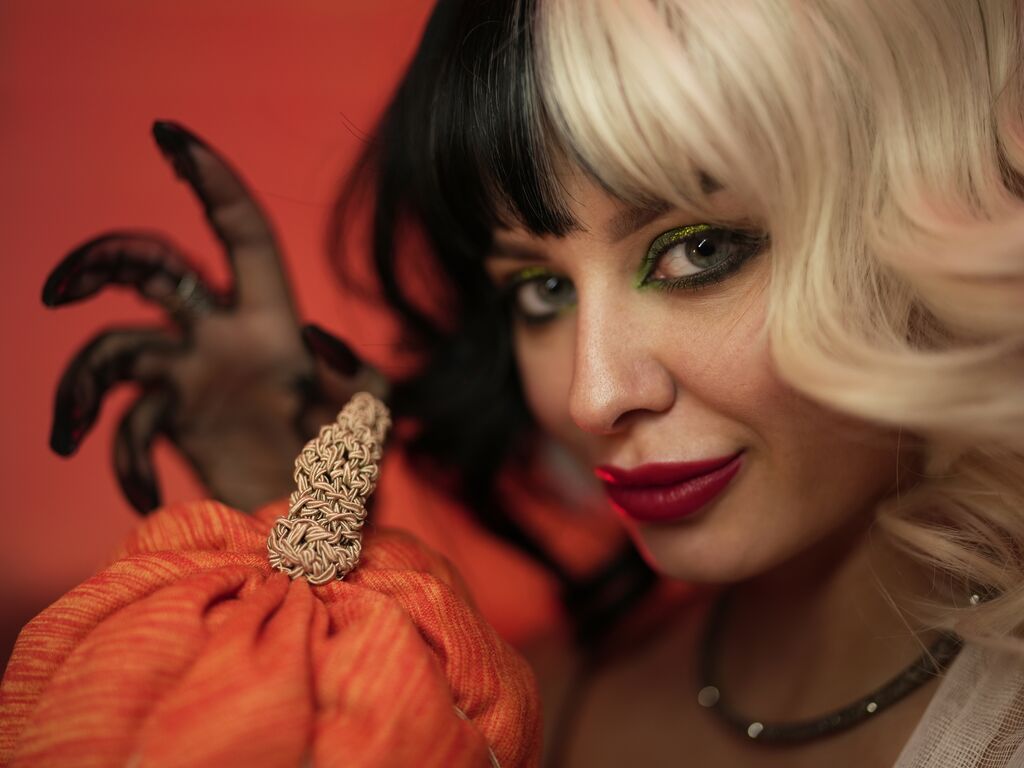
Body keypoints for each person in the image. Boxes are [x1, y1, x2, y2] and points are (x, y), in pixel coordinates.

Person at [41, 0, 1024, 765]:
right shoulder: (524, 708)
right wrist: (291, 549)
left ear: (931, 203)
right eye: (542, 288)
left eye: (698, 249)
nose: (593, 397)